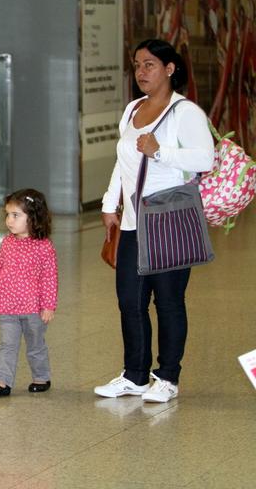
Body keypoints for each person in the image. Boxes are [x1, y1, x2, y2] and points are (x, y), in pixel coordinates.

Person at [95, 39, 214, 403]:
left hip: (168, 218)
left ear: (170, 69)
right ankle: (135, 375)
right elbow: (123, 160)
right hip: (132, 221)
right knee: (129, 301)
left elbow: (205, 159)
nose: (141, 72)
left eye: (149, 64)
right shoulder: (132, 108)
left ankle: (168, 377)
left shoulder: (184, 112)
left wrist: (159, 151)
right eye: (137, 65)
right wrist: (109, 202)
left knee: (168, 301)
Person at [0, 189, 58, 397]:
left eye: (16, 215)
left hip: (33, 309)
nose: (9, 220)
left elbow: (50, 278)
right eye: (7, 215)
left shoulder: (44, 247)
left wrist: (48, 306)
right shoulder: (7, 242)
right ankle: (2, 382)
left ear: (33, 217)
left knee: (35, 346)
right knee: (7, 345)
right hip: (8, 307)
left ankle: (41, 377)